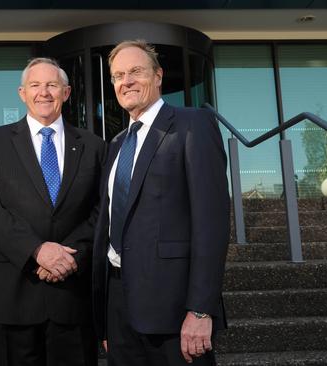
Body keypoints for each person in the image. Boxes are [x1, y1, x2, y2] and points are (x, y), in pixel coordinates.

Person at [91, 40, 230, 366]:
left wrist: (200, 310)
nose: (126, 81)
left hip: (174, 309)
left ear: (158, 76)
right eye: (117, 75)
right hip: (119, 306)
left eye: (135, 71)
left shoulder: (192, 125)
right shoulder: (115, 144)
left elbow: (212, 224)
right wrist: (107, 320)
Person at [0, 57, 105, 366]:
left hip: (72, 295)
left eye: (52, 85)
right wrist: (37, 250)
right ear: (21, 93)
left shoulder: (94, 146)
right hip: (11, 293)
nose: (43, 92)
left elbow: (101, 210)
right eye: (35, 85)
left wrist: (71, 257)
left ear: (67, 92)